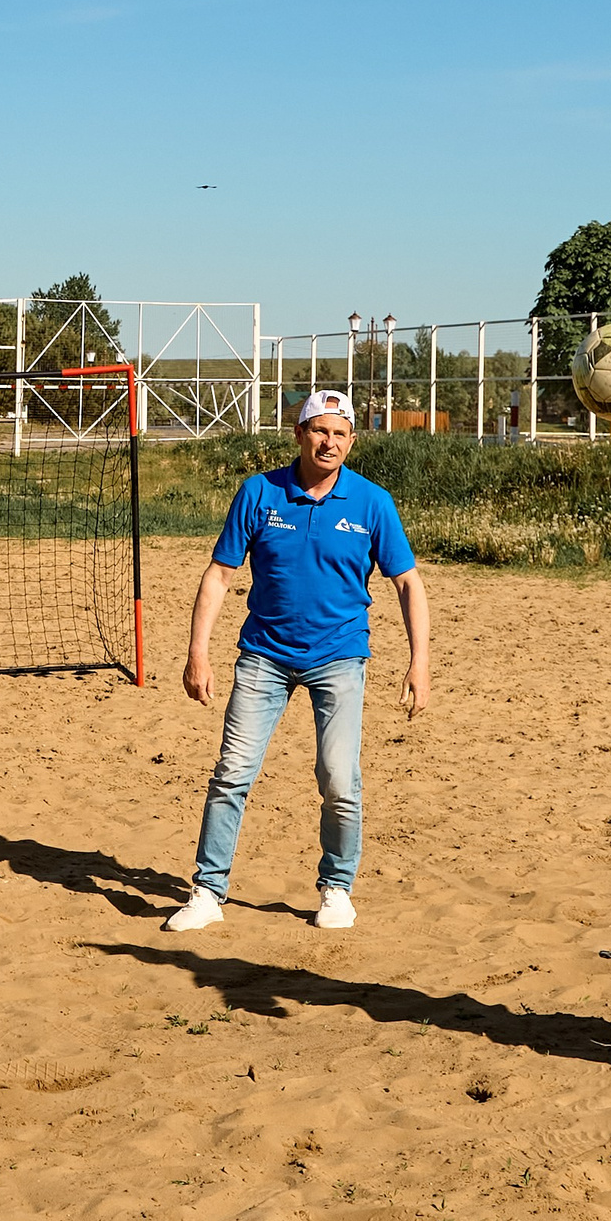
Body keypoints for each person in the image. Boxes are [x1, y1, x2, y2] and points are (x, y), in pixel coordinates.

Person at [162, 388, 429, 934]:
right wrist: (198, 653)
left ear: (352, 441)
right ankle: (208, 891)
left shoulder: (373, 502)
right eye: (319, 430)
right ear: (299, 434)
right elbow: (218, 575)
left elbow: (407, 582)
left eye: (339, 433)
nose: (328, 442)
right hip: (263, 655)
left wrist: (418, 661)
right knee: (232, 774)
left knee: (339, 779)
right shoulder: (260, 492)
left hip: (339, 657)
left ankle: (337, 888)